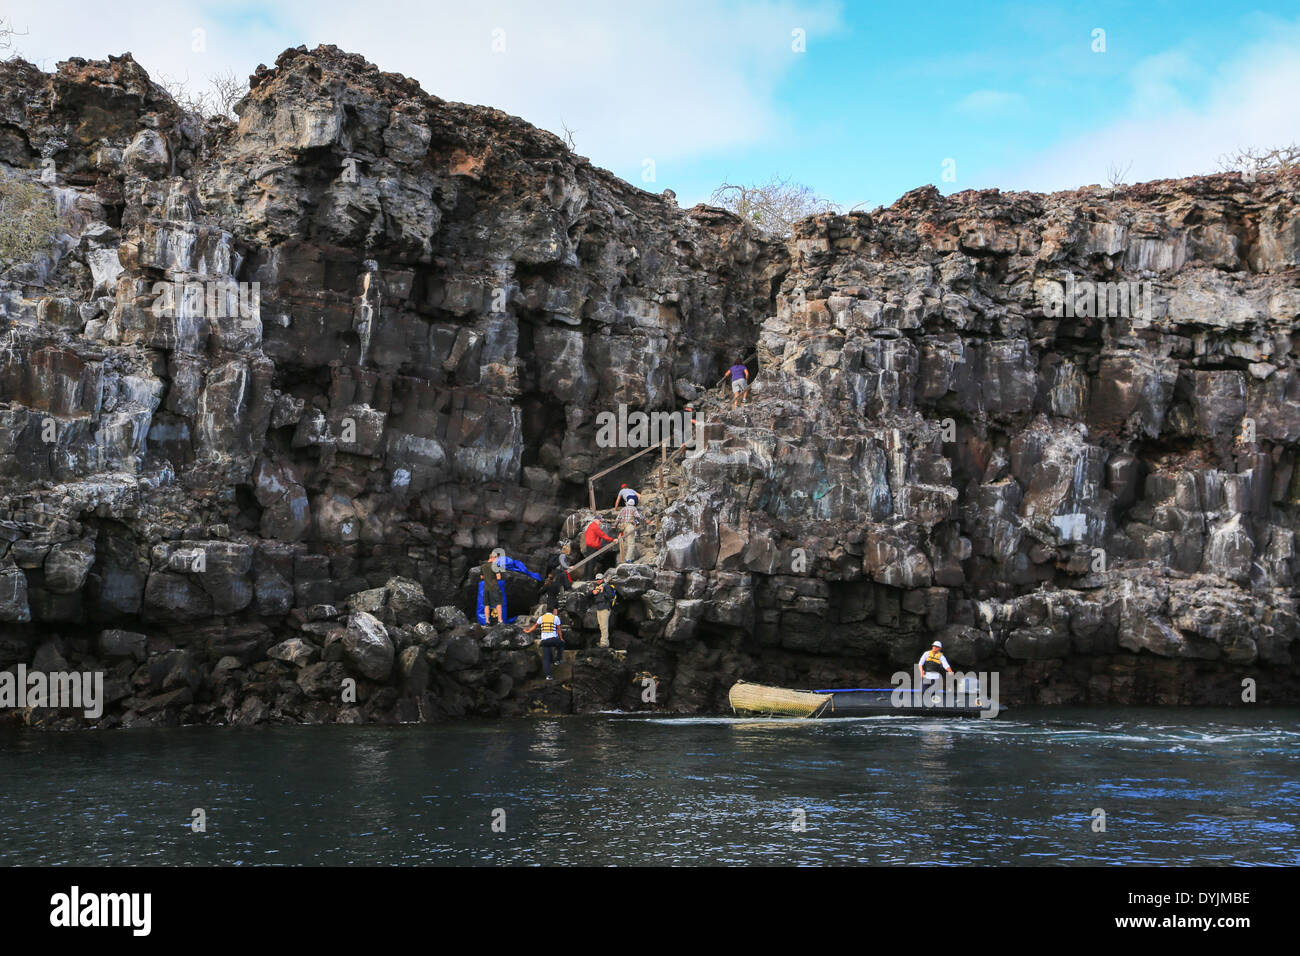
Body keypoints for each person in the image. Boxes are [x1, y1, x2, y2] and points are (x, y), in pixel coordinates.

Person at [523, 607, 564, 680]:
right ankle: (558, 660)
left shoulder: (541, 618)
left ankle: (548, 676)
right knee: (561, 644)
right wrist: (561, 638)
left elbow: (535, 626)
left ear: (545, 612)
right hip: (553, 640)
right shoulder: (555, 617)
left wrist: (528, 631)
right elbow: (559, 629)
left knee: (546, 659)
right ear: (553, 612)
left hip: (544, 641)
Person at [590, 573, 618, 648]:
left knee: (604, 626)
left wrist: (602, 591)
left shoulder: (606, 586)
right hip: (599, 608)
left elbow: (610, 596)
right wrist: (592, 593)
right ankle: (603, 641)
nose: (598, 580)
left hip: (605, 608)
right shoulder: (597, 587)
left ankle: (604, 643)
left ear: (602, 579)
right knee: (601, 626)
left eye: (599, 579)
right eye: (597, 579)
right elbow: (590, 596)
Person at [615, 499, 644, 563]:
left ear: (627, 503)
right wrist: (640, 523)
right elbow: (638, 517)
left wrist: (615, 526)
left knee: (626, 543)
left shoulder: (623, 509)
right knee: (631, 543)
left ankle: (628, 557)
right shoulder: (633, 509)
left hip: (623, 527)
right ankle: (628, 559)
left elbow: (618, 519)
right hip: (630, 527)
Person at [480, 553, 504, 624]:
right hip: (494, 588)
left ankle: (487, 621)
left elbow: (481, 577)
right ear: (493, 557)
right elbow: (498, 577)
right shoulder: (495, 565)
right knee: (498, 603)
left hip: (486, 588)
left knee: (486, 605)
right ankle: (500, 620)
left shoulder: (483, 566)